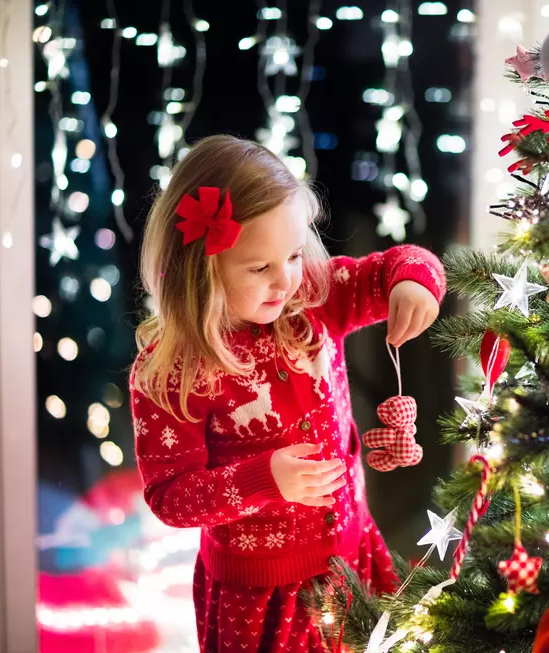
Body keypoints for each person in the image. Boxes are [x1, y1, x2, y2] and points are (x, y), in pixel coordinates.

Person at [129, 135, 446, 652]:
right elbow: (170, 497)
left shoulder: (314, 299)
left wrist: (413, 282)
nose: (285, 281)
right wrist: (263, 480)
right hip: (258, 597)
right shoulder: (173, 369)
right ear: (201, 269)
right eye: (260, 268)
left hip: (351, 558)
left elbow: (398, 263)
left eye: (295, 254)